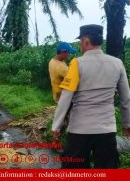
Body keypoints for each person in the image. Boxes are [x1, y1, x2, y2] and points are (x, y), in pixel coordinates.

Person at [52, 24, 130, 169]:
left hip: (80, 131)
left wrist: (56, 125)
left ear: (86, 41)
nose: (80, 45)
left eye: (81, 41)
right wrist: (127, 125)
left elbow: (66, 97)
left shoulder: (77, 63)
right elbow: (126, 99)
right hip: (106, 130)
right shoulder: (117, 64)